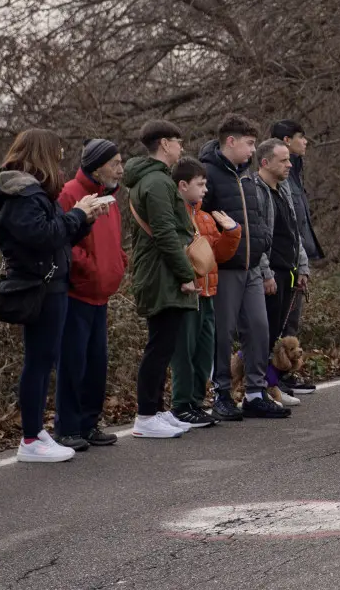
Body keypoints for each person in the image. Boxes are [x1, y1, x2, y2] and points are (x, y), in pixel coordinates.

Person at [0, 129, 101, 463]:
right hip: (40, 286)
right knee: (38, 361)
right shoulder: (24, 195)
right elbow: (42, 236)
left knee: (44, 359)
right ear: (43, 154)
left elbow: (58, 238)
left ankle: (36, 432)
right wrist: (76, 214)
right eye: (58, 152)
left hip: (51, 284)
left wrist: (84, 219)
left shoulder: (35, 193)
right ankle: (29, 438)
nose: (61, 157)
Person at [200, 115, 289, 420]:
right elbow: (200, 222)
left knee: (259, 328)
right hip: (225, 268)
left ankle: (254, 393)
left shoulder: (247, 177)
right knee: (223, 334)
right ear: (231, 141)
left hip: (251, 267)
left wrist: (261, 251)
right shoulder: (209, 175)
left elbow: (257, 219)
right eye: (249, 144)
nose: (253, 150)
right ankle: (221, 394)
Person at [123, 120, 197, 440]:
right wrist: (186, 274)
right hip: (161, 273)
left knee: (164, 344)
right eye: (178, 142)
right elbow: (166, 233)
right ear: (165, 144)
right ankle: (145, 416)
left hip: (160, 271)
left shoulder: (155, 179)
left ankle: (156, 408)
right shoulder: (156, 182)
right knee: (159, 345)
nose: (182, 148)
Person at [54, 138, 127, 451]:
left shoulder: (109, 197)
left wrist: (119, 262)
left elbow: (113, 241)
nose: (121, 170)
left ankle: (88, 423)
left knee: (97, 362)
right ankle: (67, 428)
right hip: (78, 293)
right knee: (74, 363)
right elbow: (63, 240)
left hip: (101, 295)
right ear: (97, 168)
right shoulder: (70, 193)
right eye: (115, 164)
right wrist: (91, 268)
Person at [169, 157, 242, 428]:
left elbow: (216, 256)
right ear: (183, 185)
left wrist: (232, 233)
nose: (205, 190)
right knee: (184, 352)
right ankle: (181, 403)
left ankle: (196, 402)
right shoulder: (175, 217)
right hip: (189, 294)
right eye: (200, 184)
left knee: (203, 352)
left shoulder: (205, 217)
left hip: (208, 292)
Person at [252, 138, 310, 407]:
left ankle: (274, 384)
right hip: (271, 273)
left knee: (278, 333)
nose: (289, 165)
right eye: (283, 160)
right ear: (265, 162)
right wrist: (266, 272)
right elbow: (258, 236)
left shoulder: (284, 189)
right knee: (266, 334)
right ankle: (260, 388)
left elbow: (294, 232)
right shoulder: (257, 191)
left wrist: (303, 266)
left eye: (289, 159)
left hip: (289, 270)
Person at [268, 120, 320, 395]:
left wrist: (303, 262)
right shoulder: (278, 179)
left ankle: (285, 375)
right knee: (281, 324)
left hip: (295, 257)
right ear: (287, 140)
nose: (306, 141)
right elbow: (285, 226)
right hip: (280, 262)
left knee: (292, 320)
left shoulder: (295, 172)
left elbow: (298, 223)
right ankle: (276, 378)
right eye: (301, 136)